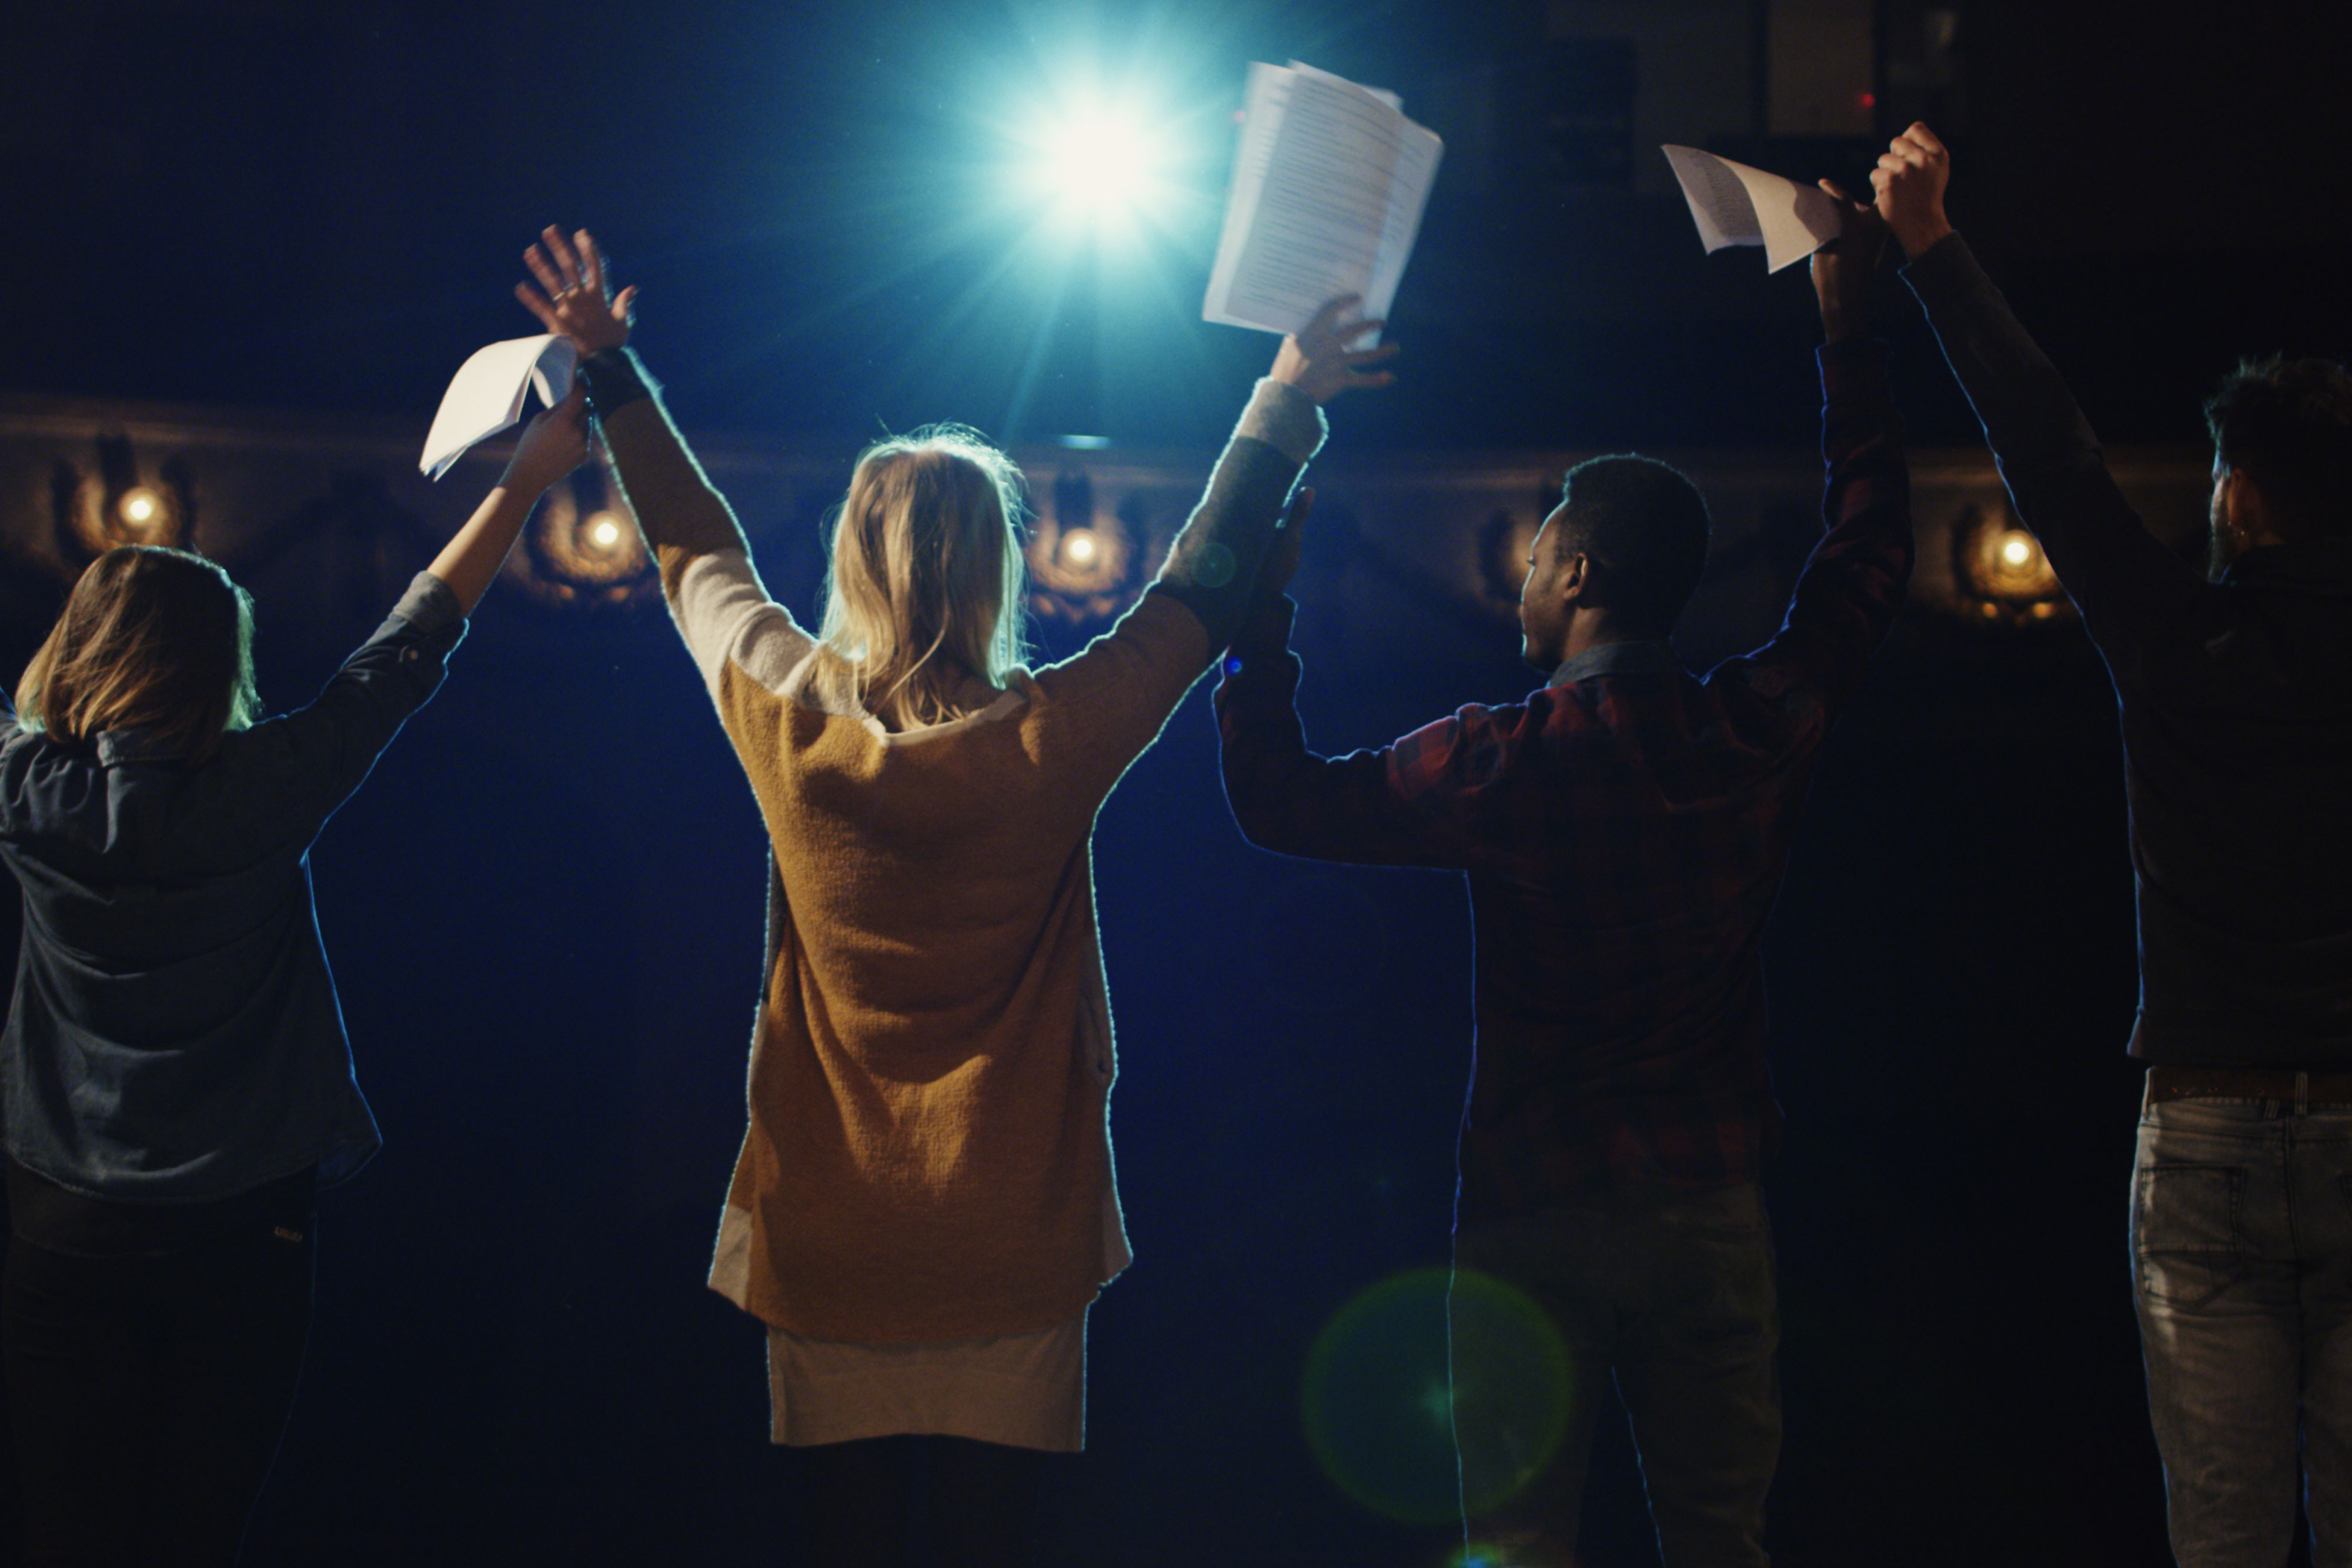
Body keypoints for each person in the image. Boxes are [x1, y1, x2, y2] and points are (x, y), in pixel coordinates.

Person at [512, 226, 1393, 1566]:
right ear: (995, 566)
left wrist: (615, 371)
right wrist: (1285, 393)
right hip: (1012, 1234)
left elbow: (693, 550)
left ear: (855, 560)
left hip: (830, 1230)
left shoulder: (781, 708)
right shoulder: (1059, 730)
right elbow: (1199, 588)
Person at [1214, 199, 1910, 1566]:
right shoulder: (1748, 730)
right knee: (1721, 1538)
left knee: (1520, 1545)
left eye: (1535, 558)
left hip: (1533, 1210)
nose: (1521, 580)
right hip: (1707, 1206)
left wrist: (1260, 620)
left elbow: (1274, 800)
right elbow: (1869, 549)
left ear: (1580, 571)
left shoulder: (1494, 761)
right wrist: (1845, 322)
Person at [0, 392, 590, 1567]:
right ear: (217, 663)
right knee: (195, 1530)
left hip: (58, 1217)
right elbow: (409, 645)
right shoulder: (269, 783)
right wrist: (524, 481)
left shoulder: (20, 787)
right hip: (240, 1227)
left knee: (60, 1530)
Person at [1877, 122, 2352, 1565]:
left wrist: (1927, 246)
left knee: (2219, 1534)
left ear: (2245, 496)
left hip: (2204, 1124)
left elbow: (2044, 442)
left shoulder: (2173, 639)